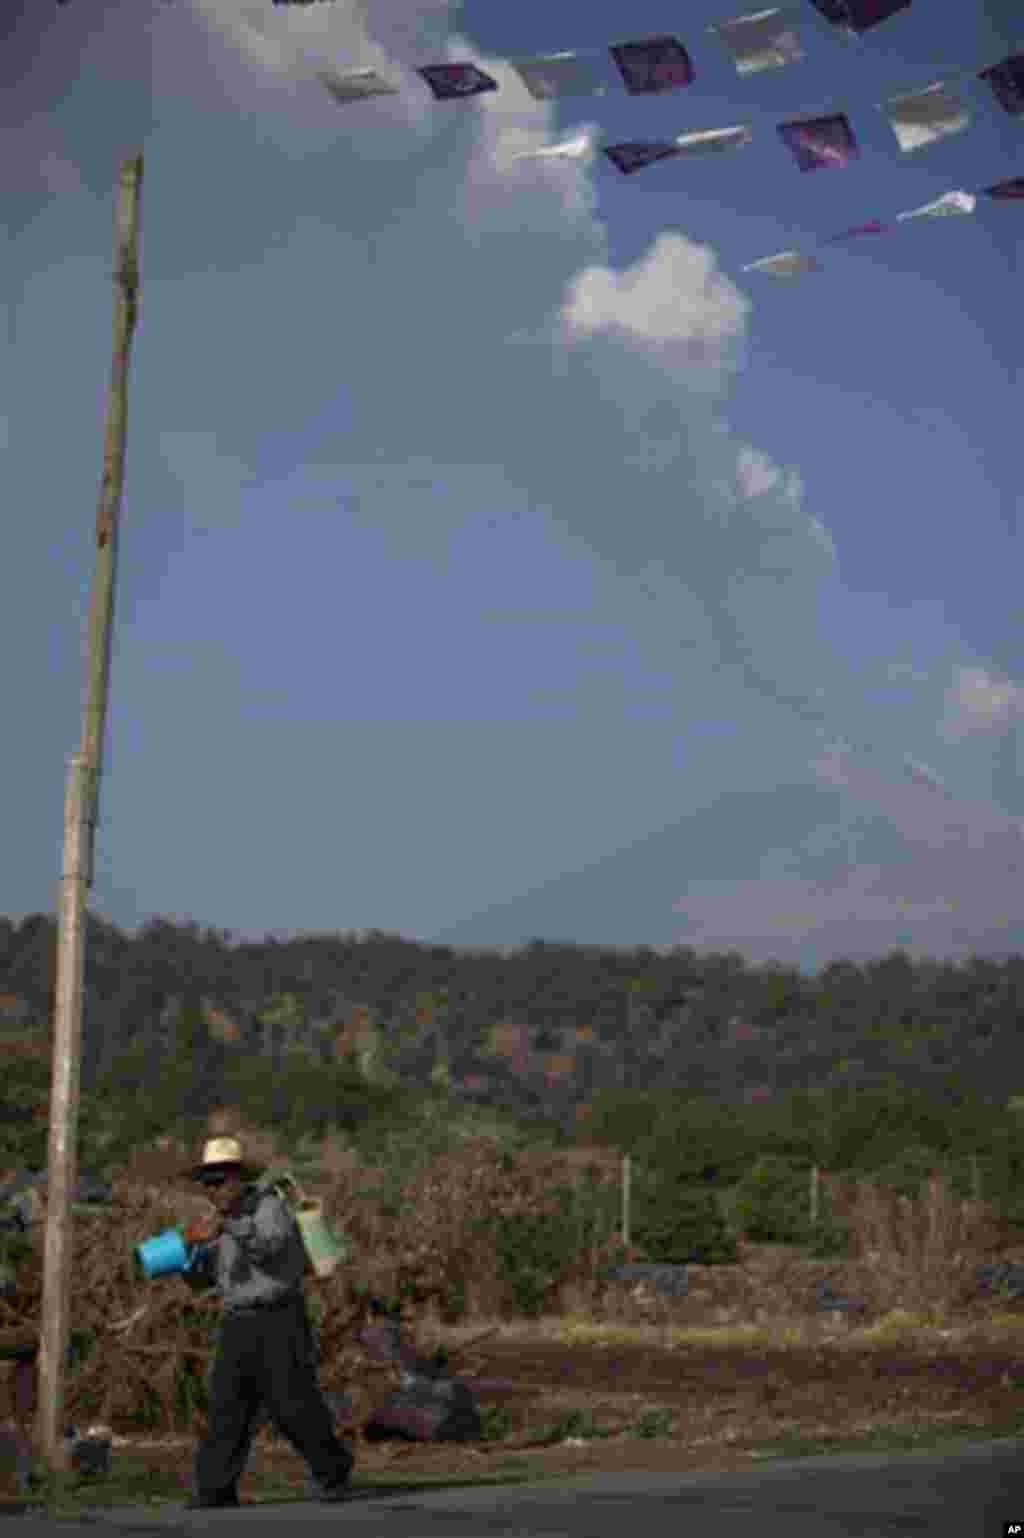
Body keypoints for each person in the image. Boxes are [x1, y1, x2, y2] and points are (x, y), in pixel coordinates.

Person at [179, 1137, 354, 1509]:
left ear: (240, 1178)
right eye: (209, 1182)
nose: (215, 1189)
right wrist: (188, 1251)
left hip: (278, 1316)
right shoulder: (216, 1223)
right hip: (237, 1321)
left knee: (292, 1403)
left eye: (222, 1179)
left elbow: (268, 1248)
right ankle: (215, 1488)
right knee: (228, 1406)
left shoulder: (268, 1208)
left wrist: (228, 1227)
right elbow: (205, 1279)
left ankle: (333, 1470)